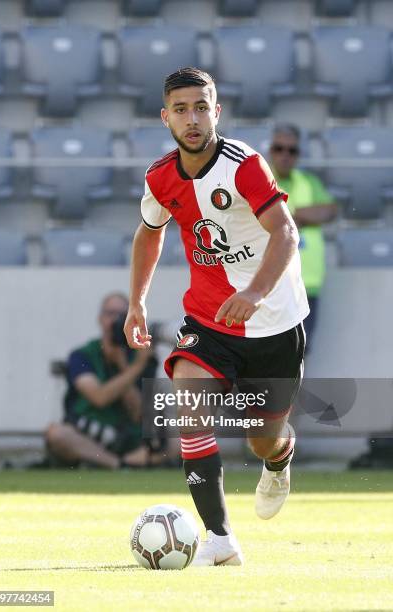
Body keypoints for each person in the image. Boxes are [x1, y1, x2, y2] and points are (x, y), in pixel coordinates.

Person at [124, 67, 309, 566]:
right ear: (165, 118)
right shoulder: (160, 176)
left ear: (216, 112)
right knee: (189, 398)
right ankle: (221, 539)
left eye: (201, 107)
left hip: (274, 323)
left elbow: (287, 234)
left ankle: (280, 458)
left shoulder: (244, 164)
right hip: (209, 321)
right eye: (181, 109)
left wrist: (254, 291)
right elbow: (149, 232)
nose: (192, 119)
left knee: (263, 439)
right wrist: (136, 301)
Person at [46, 292, 159, 469]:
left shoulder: (141, 356)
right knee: (57, 433)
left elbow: (139, 415)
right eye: (110, 314)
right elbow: (99, 397)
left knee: (181, 437)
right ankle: (118, 464)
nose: (115, 321)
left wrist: (123, 365)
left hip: (130, 437)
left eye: (122, 316)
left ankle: (124, 461)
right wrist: (135, 368)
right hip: (90, 434)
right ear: (100, 319)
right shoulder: (82, 355)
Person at [269, 124, 337, 344]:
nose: (285, 155)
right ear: (271, 150)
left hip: (307, 284)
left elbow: (330, 210)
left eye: (292, 150)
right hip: (270, 284)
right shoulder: (260, 180)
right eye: (279, 148)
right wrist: (300, 217)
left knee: (301, 348)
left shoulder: (309, 182)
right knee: (270, 350)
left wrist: (293, 215)